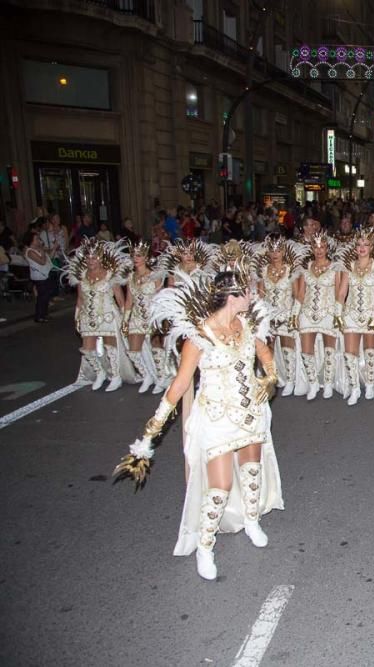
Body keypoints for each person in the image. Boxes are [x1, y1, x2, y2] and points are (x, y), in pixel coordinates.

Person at [114, 268, 283, 581]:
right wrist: (152, 431)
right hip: (218, 418)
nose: (252, 295)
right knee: (219, 486)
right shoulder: (199, 337)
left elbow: (264, 351)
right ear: (233, 297)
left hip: (250, 413)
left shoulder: (247, 323)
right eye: (247, 291)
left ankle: (251, 520)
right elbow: (178, 386)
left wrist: (269, 378)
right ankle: (206, 546)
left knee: (252, 471)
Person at [64, 238, 132, 391]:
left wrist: (124, 319)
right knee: (87, 348)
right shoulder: (81, 276)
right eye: (88, 257)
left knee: (110, 346)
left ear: (100, 258)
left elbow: (120, 299)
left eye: (94, 257)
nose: (90, 261)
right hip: (89, 315)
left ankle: (116, 376)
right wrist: (77, 317)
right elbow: (80, 299)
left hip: (108, 314)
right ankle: (100, 373)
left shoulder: (110, 275)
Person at [336, 228, 374, 404]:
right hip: (351, 313)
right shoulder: (349, 267)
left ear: (371, 247)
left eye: (366, 244)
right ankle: (355, 387)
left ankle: (370, 384)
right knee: (350, 353)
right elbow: (341, 293)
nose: (362, 247)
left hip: (371, 313)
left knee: (370, 351)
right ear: (355, 248)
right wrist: (337, 312)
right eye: (359, 244)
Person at [294, 233, 339, 400]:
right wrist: (294, 314)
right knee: (306, 350)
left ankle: (328, 383)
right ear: (311, 249)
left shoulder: (336, 267)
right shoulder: (306, 269)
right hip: (307, 312)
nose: (319, 250)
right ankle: (313, 383)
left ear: (327, 248)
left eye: (322, 247)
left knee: (330, 350)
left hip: (328, 312)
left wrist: (338, 313)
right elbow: (300, 294)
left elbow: (340, 293)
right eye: (316, 247)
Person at [257, 236, 303, 397]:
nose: (275, 254)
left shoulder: (291, 270)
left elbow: (298, 295)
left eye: (278, 250)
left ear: (283, 252)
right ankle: (273, 378)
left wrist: (294, 315)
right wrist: (260, 316)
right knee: (268, 349)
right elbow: (260, 296)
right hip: (268, 316)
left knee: (287, 347)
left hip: (286, 313)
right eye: (272, 251)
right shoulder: (263, 271)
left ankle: (290, 380)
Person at [122, 242, 166, 393]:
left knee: (156, 349)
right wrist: (125, 320)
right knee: (133, 351)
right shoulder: (131, 277)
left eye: (139, 255)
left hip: (153, 316)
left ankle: (161, 379)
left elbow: (161, 298)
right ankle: (147, 375)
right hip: (137, 317)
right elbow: (129, 301)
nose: (136, 258)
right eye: (134, 255)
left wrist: (162, 318)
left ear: (146, 258)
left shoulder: (155, 275)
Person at [25, 231, 56, 323]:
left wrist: (54, 248)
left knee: (46, 296)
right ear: (31, 241)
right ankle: (39, 316)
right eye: (36, 239)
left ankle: (44, 314)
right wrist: (42, 249)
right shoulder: (30, 251)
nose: (38, 240)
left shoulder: (38, 249)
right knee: (42, 296)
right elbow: (42, 262)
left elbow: (49, 258)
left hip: (45, 274)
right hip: (39, 277)